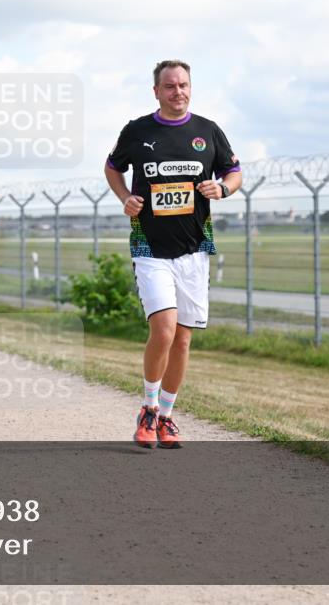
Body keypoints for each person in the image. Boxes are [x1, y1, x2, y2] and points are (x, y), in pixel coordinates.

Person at [104, 59, 243, 449]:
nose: (177, 92)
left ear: (190, 87)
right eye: (169, 86)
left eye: (183, 85)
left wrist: (224, 189)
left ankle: (167, 416)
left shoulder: (208, 131)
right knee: (163, 330)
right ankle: (148, 409)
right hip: (150, 247)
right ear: (156, 92)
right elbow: (112, 168)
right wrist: (125, 197)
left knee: (182, 340)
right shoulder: (137, 131)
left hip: (194, 248)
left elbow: (234, 172)